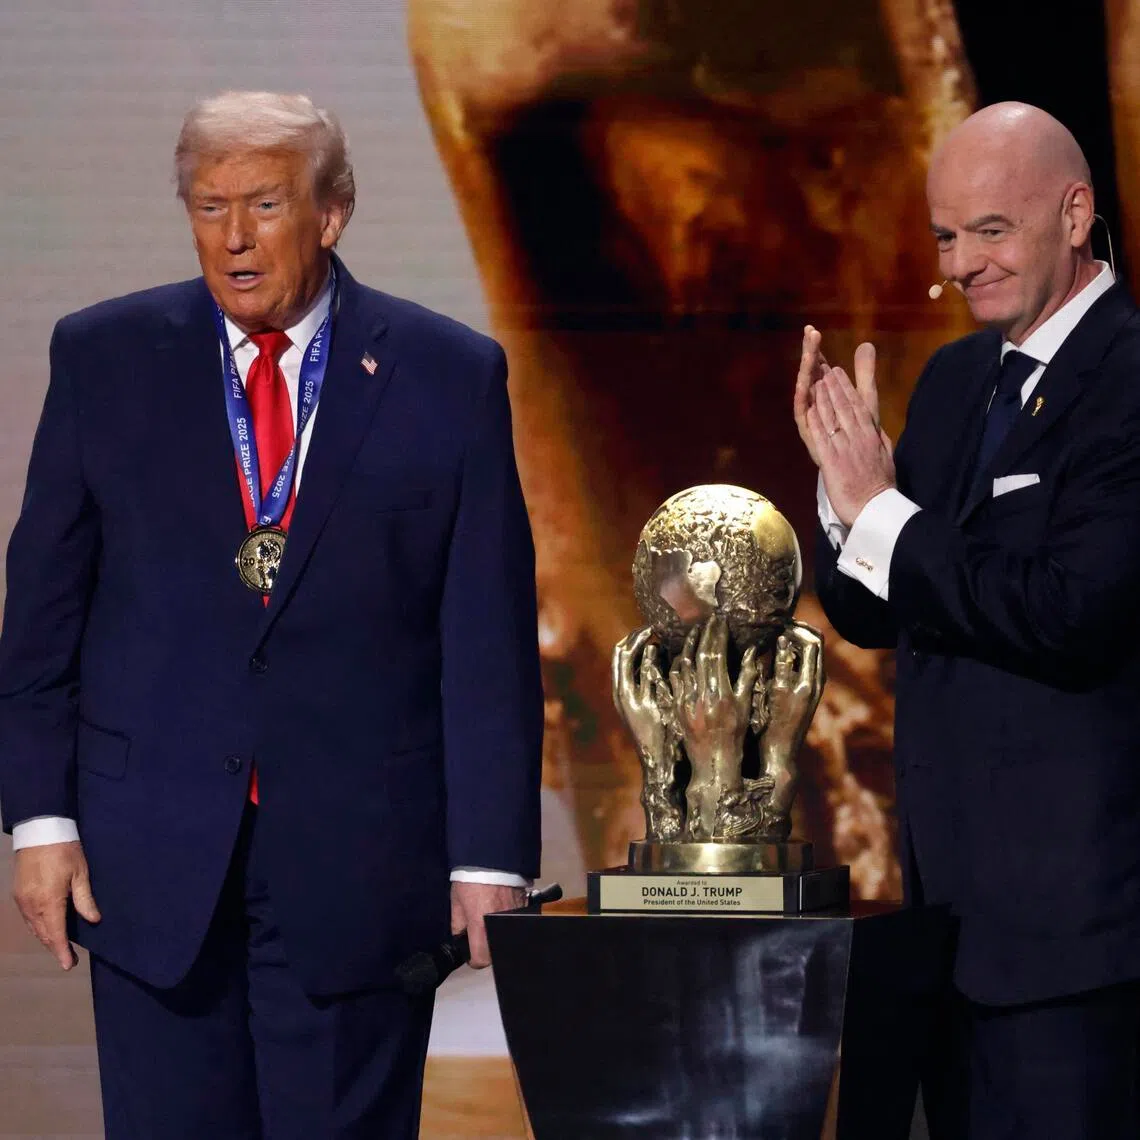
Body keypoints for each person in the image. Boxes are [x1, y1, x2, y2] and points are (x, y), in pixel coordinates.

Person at [0, 91, 543, 1139]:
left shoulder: (448, 375)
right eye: (208, 208)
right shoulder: (103, 357)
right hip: (147, 865)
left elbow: (484, 640)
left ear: (331, 213)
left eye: (262, 205)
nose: (234, 240)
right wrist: (41, 820)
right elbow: (42, 620)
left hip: (359, 870)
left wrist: (490, 859)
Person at [795, 100, 1140, 1139]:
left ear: (1075, 214)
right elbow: (869, 608)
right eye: (948, 237)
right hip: (950, 928)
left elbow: (1068, 610)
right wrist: (838, 492)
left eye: (992, 229)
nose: (963, 262)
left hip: (1083, 939)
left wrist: (884, 510)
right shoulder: (955, 384)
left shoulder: (1127, 380)